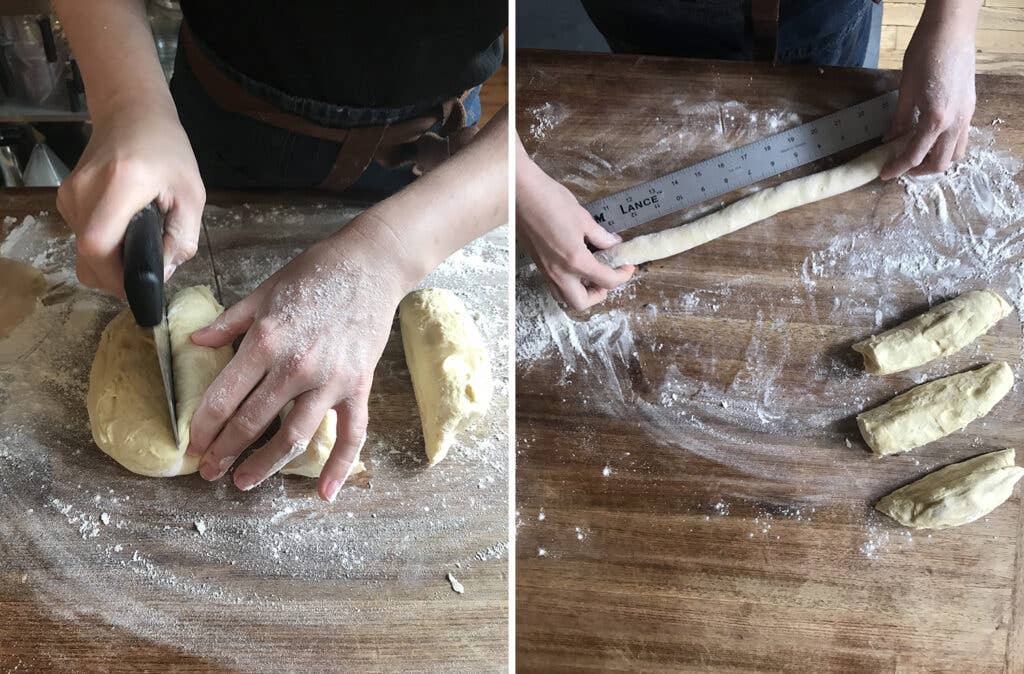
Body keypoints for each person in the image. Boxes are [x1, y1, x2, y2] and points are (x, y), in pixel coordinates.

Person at [54, 1, 508, 501]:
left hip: (436, 173)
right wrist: (129, 101)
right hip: (210, 129)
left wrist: (388, 252)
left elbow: (546, 100)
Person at [517, 0, 980, 310]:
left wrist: (954, 19)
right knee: (659, 56)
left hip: (819, 7)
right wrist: (521, 184)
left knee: (832, 51)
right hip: (659, 12)